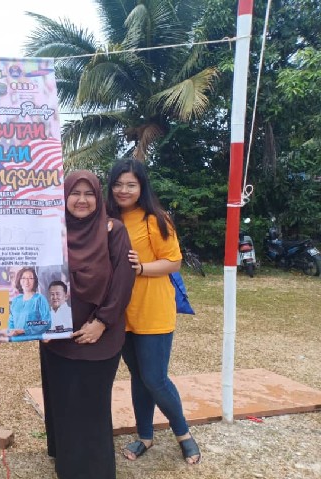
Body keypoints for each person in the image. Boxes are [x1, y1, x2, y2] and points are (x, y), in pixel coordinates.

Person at [106, 158, 202, 465]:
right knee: (138, 376)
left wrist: (142, 267)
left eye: (130, 185)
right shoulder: (106, 218)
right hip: (121, 312)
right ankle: (145, 436)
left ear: (142, 187)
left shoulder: (155, 219)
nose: (123, 190)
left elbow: (173, 262)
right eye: (118, 184)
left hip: (153, 309)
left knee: (155, 378)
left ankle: (183, 434)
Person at [40, 170, 135, 479]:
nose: (82, 200)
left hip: (99, 336)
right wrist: (39, 324)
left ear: (98, 197)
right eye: (75, 193)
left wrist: (101, 322)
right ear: (64, 197)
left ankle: (95, 471)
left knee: (92, 406)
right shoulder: (52, 231)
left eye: (89, 193)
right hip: (58, 336)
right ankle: (67, 465)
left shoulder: (114, 231)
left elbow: (123, 281)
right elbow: (37, 275)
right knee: (64, 402)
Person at [7, 267, 51, 337]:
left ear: (34, 281)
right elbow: (11, 321)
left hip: (33, 340)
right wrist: (11, 332)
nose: (27, 281)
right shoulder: (16, 300)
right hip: (15, 340)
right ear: (19, 280)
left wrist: (24, 331)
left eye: (30, 278)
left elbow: (47, 323)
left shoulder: (40, 299)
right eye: (23, 278)